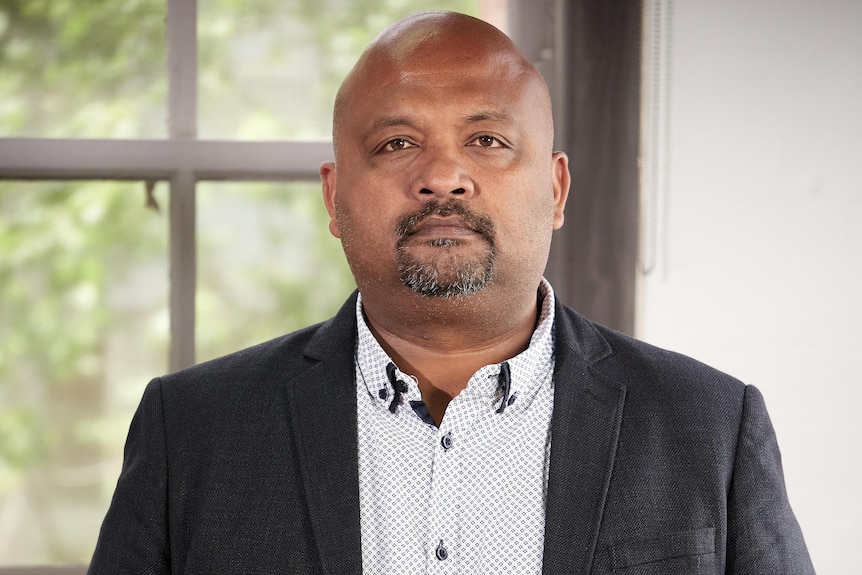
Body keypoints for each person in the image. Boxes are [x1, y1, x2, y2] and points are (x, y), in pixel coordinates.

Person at [88, 11, 815, 574]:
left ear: (556, 189)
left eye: (488, 141)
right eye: (397, 144)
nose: (444, 176)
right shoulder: (190, 433)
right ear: (335, 197)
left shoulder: (711, 429)